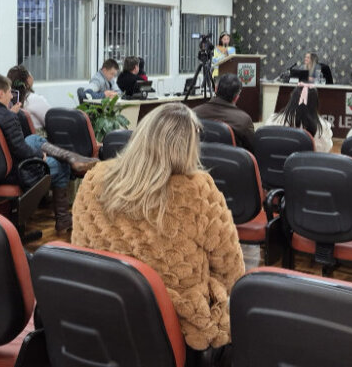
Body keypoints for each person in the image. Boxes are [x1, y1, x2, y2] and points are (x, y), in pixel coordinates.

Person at [71, 103, 244, 352]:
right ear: (188, 146)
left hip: (103, 313)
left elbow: (80, 245)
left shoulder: (94, 179)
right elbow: (230, 267)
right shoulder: (197, 189)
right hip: (178, 327)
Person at [0, 73, 98, 232]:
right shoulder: (7, 116)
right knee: (61, 165)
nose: (12, 96)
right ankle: (63, 218)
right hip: (11, 174)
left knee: (33, 138)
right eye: (10, 92)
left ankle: (73, 158)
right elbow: (20, 150)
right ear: (0, 93)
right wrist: (40, 156)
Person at [193, 73, 256, 151]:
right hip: (231, 158)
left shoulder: (194, 113)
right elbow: (253, 149)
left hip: (199, 157)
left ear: (216, 89)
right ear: (236, 97)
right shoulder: (244, 120)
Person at [266, 83, 334, 152]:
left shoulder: (273, 120)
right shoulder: (322, 127)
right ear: (315, 103)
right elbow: (325, 150)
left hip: (276, 159)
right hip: (307, 159)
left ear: (292, 99)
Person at [7, 65, 50, 132]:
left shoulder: (7, 100)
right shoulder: (34, 99)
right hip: (38, 137)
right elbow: (51, 120)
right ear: (28, 79)